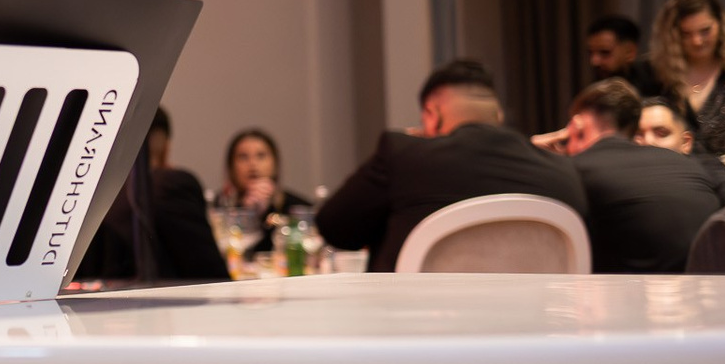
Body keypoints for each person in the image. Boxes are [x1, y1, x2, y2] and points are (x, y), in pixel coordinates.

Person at [317, 60, 585, 272]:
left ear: (432, 115)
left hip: (414, 322)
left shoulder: (403, 154)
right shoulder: (562, 172)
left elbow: (335, 228)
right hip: (529, 325)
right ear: (498, 115)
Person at [561, 79, 725, 273]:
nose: (647, 141)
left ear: (686, 142)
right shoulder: (612, 170)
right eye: (638, 135)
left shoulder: (704, 165)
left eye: (661, 133)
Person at [74, 107, 229, 283]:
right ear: (163, 143)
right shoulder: (171, 185)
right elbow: (210, 273)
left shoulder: (83, 195)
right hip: (160, 299)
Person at [649, 0, 725, 157]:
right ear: (672, 34)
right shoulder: (654, 76)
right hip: (672, 169)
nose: (697, 41)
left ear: (720, 24)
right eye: (686, 34)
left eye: (705, 31)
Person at [215, 128, 308, 256]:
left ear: (275, 164)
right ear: (231, 167)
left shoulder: (295, 207)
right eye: (243, 157)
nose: (252, 164)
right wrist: (246, 212)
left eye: (261, 156)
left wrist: (267, 211)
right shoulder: (219, 208)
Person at [585, 14, 662, 98]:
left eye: (605, 52)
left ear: (630, 52)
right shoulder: (594, 91)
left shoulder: (656, 84)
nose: (594, 61)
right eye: (590, 53)